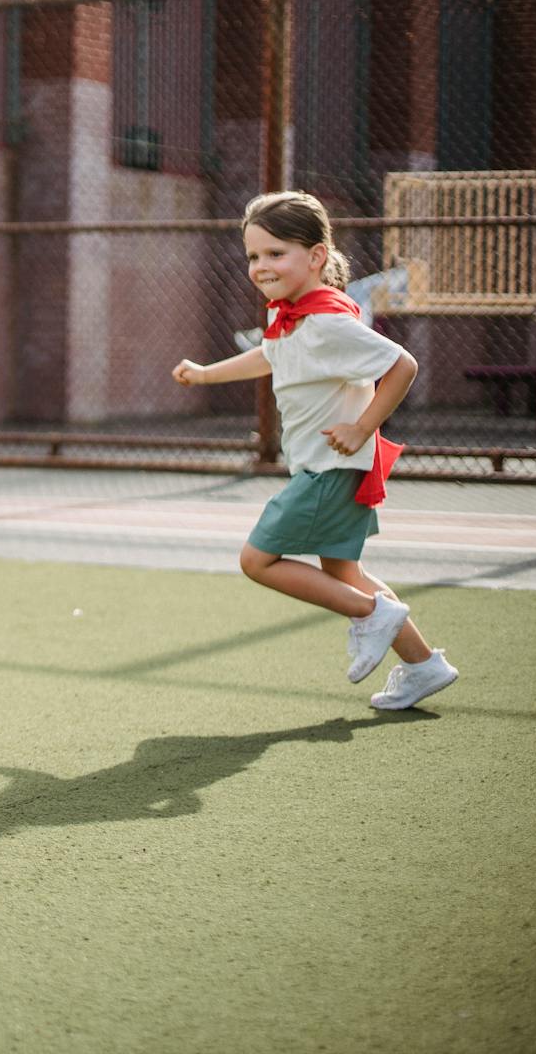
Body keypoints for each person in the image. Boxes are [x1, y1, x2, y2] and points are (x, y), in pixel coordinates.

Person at [172, 191, 458, 711]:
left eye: (276, 253)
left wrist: (363, 426)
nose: (262, 266)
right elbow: (269, 354)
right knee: (345, 574)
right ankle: (423, 665)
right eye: (254, 256)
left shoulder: (326, 322)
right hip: (329, 469)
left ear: (317, 256)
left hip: (330, 469)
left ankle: (372, 615)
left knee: (257, 560)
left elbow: (403, 365)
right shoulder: (295, 318)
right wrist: (207, 373)